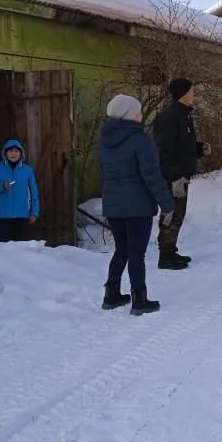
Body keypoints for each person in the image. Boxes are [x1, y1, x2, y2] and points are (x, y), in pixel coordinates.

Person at [97, 94, 175, 315]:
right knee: (136, 253)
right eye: (138, 111)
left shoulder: (104, 140)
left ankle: (111, 294)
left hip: (113, 203)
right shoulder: (141, 140)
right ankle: (139, 299)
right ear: (130, 115)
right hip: (138, 205)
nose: (141, 114)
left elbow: (103, 173)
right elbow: (151, 175)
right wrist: (167, 204)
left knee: (121, 250)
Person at [151, 77, 212, 270]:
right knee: (171, 213)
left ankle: (171, 250)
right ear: (184, 93)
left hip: (182, 174)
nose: (194, 94)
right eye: (192, 91)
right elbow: (164, 151)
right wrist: (174, 176)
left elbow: (182, 146)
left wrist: (199, 149)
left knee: (179, 213)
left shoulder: (184, 116)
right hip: (173, 177)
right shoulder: (169, 118)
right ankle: (165, 256)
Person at [0, 139, 39, 241]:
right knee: (2, 249)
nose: (13, 154)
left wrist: (34, 212)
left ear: (21, 153)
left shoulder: (27, 170)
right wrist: (2, 186)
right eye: (10, 151)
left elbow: (34, 193)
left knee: (20, 249)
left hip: (22, 216)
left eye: (16, 151)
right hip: (1, 217)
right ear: (5, 153)